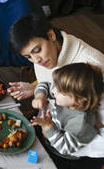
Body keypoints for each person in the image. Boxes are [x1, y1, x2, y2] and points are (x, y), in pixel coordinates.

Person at [8, 13, 104, 159]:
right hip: (50, 122)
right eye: (28, 57)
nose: (36, 60)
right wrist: (35, 89)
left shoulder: (94, 65)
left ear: (51, 35)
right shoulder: (44, 56)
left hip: (74, 149)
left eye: (37, 50)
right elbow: (59, 89)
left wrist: (63, 144)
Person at [31, 63, 102, 155]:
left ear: (79, 100)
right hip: (49, 131)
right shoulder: (68, 97)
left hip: (61, 155)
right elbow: (46, 85)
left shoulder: (81, 125)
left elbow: (64, 148)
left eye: (59, 91)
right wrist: (40, 96)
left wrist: (47, 126)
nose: (53, 90)